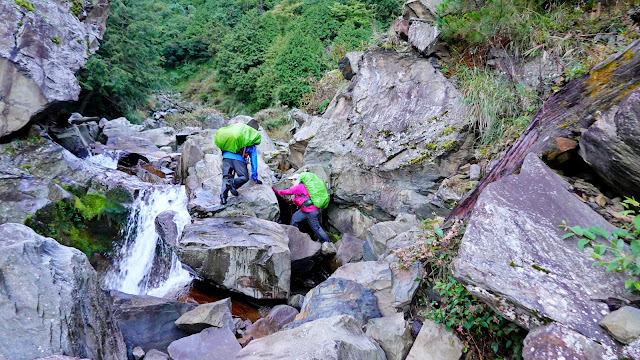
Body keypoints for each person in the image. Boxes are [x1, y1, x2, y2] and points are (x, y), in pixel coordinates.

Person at [272, 174, 331, 243]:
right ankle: (293, 236)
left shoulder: (299, 187)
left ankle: (327, 242)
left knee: (316, 228)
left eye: (292, 180)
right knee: (294, 218)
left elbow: (288, 192)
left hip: (311, 211)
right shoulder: (303, 186)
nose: (291, 182)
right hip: (305, 210)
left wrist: (276, 191)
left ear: (296, 180)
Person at [219, 123, 263, 205]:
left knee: (226, 177)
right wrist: (255, 177)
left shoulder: (232, 139)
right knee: (244, 177)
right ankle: (232, 183)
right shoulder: (250, 142)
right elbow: (254, 161)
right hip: (238, 159)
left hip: (226, 158)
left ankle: (223, 198)